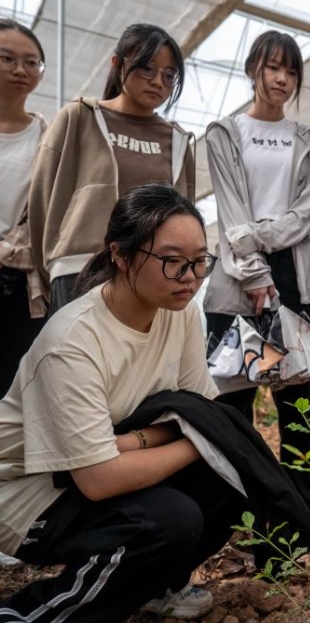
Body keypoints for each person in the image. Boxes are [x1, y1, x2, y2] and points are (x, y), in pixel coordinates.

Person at [0, 184, 242, 622]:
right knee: (168, 519)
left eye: (199, 261)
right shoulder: (73, 341)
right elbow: (99, 480)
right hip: (25, 489)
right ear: (121, 254)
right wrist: (203, 443)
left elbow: (204, 410)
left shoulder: (181, 311)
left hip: (93, 460)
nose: (189, 276)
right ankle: (29, 615)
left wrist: (136, 442)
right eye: (172, 261)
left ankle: (153, 585)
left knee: (229, 478)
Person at [202, 30, 310, 548]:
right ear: (253, 69)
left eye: (291, 71)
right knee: (235, 412)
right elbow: (230, 206)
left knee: (299, 408)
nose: (281, 79)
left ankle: (308, 517)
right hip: (237, 284)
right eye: (272, 67)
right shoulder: (224, 131)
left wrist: (257, 237)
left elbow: (308, 212)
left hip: (295, 282)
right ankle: (242, 520)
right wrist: (255, 270)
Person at [28, 23, 194, 314]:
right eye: (147, 68)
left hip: (152, 274)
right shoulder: (79, 117)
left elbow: (184, 213)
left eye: (169, 75)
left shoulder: (178, 140)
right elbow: (41, 200)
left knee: (142, 359)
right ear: (117, 63)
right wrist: (54, 265)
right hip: (80, 269)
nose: (158, 81)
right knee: (79, 358)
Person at [0, 18, 46, 398]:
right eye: (7, 59)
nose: (21, 70)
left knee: (12, 386)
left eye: (32, 62)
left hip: (20, 281)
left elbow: (49, 211)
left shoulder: (49, 137)